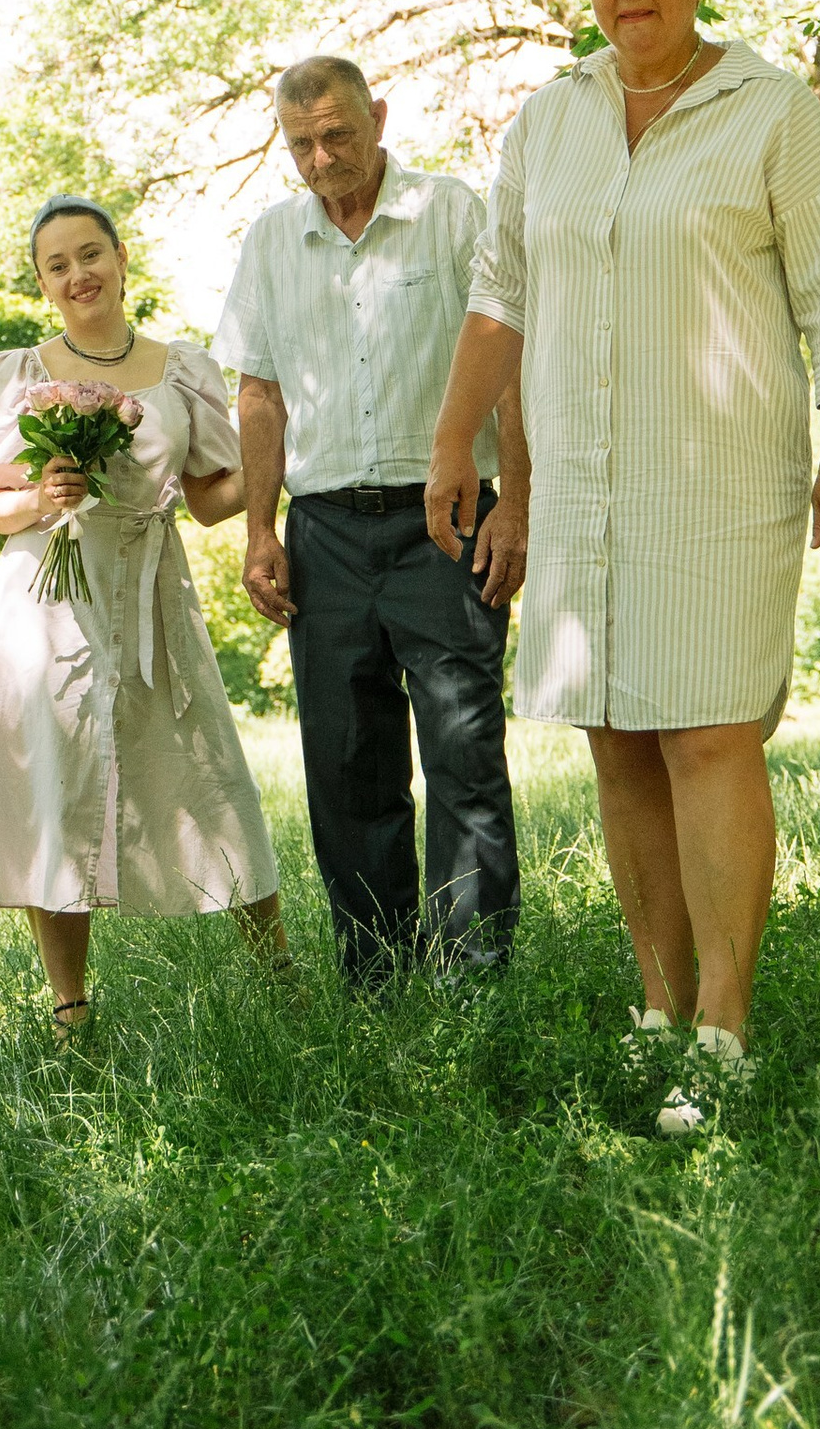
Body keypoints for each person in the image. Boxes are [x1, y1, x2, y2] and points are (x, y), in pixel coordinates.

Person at [425, 0, 820, 1132]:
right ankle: (657, 1012)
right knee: (616, 738)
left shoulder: (770, 109)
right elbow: (498, 292)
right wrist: (454, 439)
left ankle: (726, 1034)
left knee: (705, 731)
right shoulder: (550, 121)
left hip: (719, 471)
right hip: (579, 475)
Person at [215, 54, 529, 985]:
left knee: (463, 752)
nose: (321, 158)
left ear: (378, 117)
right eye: (302, 143)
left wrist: (515, 505)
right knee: (349, 769)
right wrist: (260, 532)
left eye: (338, 135)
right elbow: (260, 396)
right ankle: (378, 980)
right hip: (325, 538)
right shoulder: (271, 240)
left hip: (449, 524)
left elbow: (508, 366)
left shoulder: (453, 214)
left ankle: (472, 978)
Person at [0, 196, 286, 1030]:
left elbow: (209, 500)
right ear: (42, 283)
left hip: (150, 586)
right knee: (55, 787)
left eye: (90, 254)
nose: (78, 275)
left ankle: (281, 976)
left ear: (122, 258)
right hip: (48, 599)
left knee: (208, 769)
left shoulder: (181, 370)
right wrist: (38, 495)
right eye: (57, 265)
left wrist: (283, 449)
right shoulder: (21, 375)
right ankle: (71, 1009)